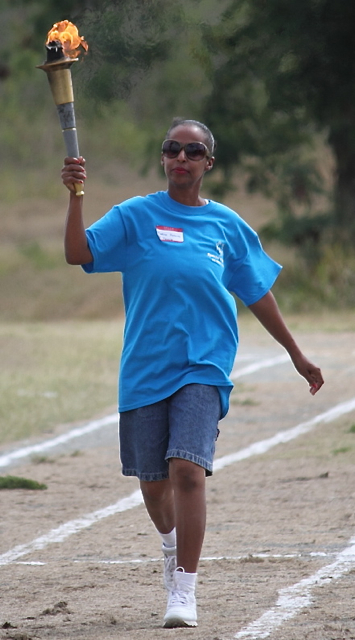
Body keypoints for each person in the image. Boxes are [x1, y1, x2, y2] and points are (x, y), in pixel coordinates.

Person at [61, 117, 324, 628]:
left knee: (187, 470)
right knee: (154, 484)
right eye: (172, 149)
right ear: (163, 158)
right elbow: (78, 253)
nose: (182, 158)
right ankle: (169, 543)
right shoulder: (134, 216)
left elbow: (256, 292)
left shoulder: (226, 225)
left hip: (204, 365)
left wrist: (295, 351)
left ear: (208, 162)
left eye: (193, 151)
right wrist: (75, 195)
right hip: (144, 368)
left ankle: (184, 589)